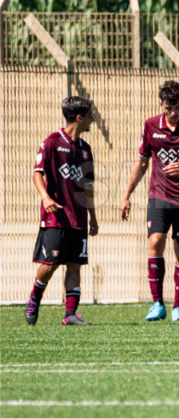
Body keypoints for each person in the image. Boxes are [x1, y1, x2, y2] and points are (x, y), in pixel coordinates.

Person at [120, 81, 179, 322]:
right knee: (155, 242)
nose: (174, 112)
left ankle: (178, 308)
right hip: (158, 197)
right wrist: (126, 195)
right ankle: (158, 304)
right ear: (161, 104)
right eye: (170, 107)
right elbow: (142, 163)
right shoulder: (151, 126)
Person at [26, 97, 99, 326]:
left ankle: (70, 314)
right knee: (50, 265)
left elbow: (88, 186)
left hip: (78, 218)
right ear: (79, 117)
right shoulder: (51, 142)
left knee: (75, 264)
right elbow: (37, 173)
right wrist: (45, 197)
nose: (92, 119)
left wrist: (93, 217)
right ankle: (34, 301)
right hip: (55, 216)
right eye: (89, 115)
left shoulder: (85, 150)